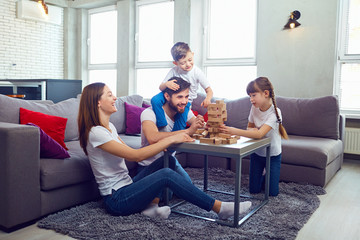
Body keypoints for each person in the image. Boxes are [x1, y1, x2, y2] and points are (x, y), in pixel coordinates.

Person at [78, 82, 252, 220]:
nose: (115, 97)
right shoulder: (96, 132)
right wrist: (171, 138)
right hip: (116, 199)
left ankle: (151, 208)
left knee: (165, 161)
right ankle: (219, 208)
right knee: (166, 174)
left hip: (127, 185)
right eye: (109, 95)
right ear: (98, 102)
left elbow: (128, 150)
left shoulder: (109, 127)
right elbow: (135, 155)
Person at [219, 77, 288, 196]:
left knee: (272, 193)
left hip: (272, 155)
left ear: (265, 93)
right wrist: (253, 131)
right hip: (257, 153)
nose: (251, 99)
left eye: (253, 95)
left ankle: (268, 175)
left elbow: (259, 134)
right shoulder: (254, 108)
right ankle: (264, 175)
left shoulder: (275, 112)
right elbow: (249, 128)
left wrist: (234, 131)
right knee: (254, 190)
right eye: (249, 96)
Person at [138, 77, 204, 184]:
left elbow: (198, 125)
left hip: (170, 161)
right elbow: (152, 138)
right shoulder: (149, 113)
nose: (184, 101)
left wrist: (205, 124)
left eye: (186, 97)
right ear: (167, 96)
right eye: (179, 97)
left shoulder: (183, 110)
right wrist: (188, 131)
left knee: (187, 185)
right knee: (167, 193)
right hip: (149, 165)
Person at [151, 42, 213, 131]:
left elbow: (209, 90)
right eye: (183, 63)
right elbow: (161, 87)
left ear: (192, 54)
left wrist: (208, 99)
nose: (188, 64)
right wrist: (166, 84)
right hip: (170, 96)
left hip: (185, 101)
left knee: (181, 118)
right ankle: (162, 123)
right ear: (175, 63)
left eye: (190, 60)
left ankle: (177, 134)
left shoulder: (197, 72)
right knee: (155, 100)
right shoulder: (173, 70)